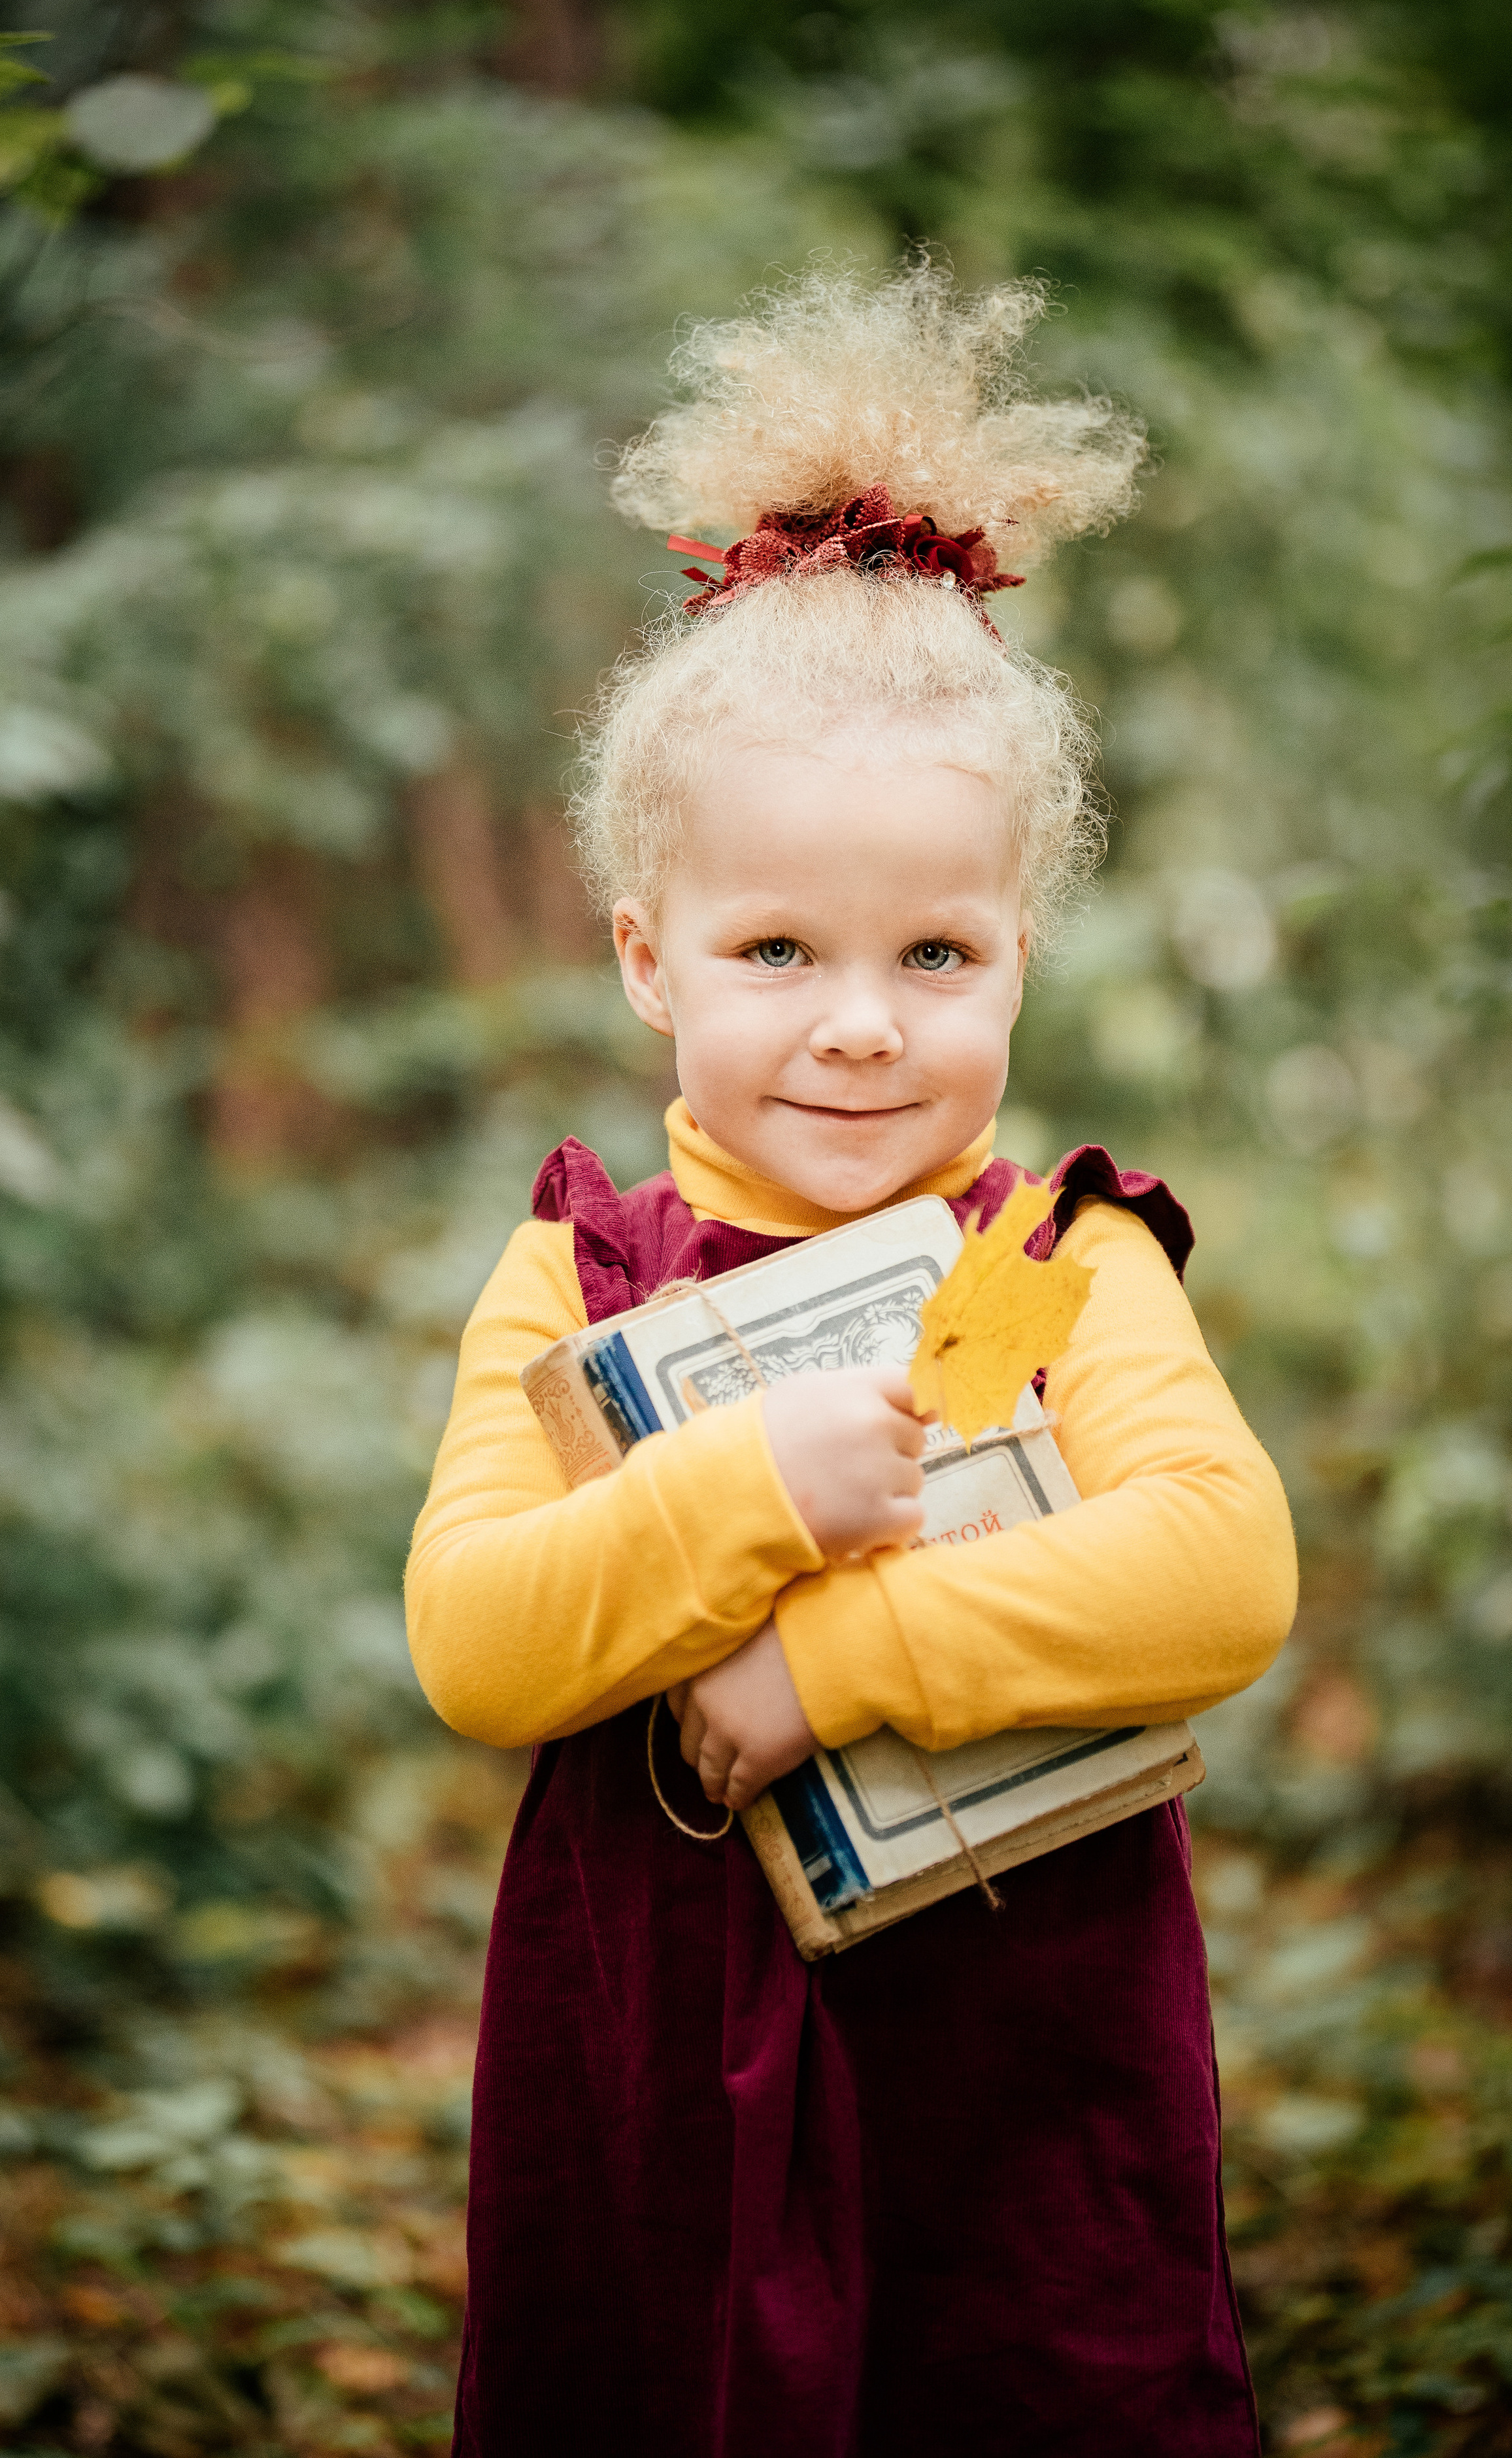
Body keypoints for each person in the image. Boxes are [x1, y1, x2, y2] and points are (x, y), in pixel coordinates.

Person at [405, 260, 1297, 2458]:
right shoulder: (581, 1275)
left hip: (1017, 2057)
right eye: (777, 946)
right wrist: (738, 1490)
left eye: (936, 950)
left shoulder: (1050, 1258)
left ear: (1022, 948)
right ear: (646, 951)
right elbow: (477, 1640)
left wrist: (843, 1649)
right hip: (655, 2078)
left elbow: (1223, 1573)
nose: (863, 1017)